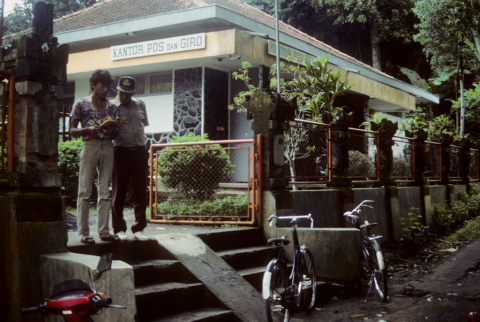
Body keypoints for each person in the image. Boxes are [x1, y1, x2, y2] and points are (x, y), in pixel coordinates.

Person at [70, 69, 120, 244]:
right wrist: (86, 130)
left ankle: (104, 231)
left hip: (107, 146)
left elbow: (115, 133)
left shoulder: (113, 107)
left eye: (107, 87)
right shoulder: (81, 104)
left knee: (105, 190)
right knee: (84, 190)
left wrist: (114, 130)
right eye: (102, 86)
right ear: (93, 84)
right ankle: (84, 232)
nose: (105, 90)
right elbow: (72, 130)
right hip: (89, 145)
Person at [111, 76, 149, 241]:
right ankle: (119, 229)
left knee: (140, 190)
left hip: (140, 151)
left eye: (128, 94)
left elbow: (145, 125)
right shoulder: (110, 107)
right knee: (119, 191)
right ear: (117, 90)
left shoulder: (140, 104)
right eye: (122, 93)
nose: (124, 97)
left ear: (133, 93)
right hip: (121, 152)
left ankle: (139, 228)